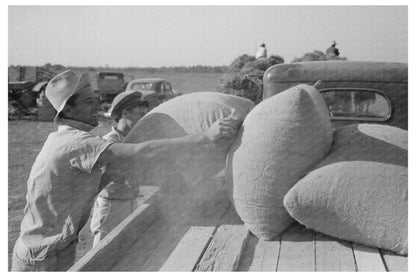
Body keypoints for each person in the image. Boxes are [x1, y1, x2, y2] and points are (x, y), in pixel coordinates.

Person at [11, 70, 241, 271]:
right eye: (89, 102)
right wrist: (205, 137)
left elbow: (114, 173)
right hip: (41, 255)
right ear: (68, 110)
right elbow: (141, 152)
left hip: (54, 247)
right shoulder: (75, 143)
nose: (97, 107)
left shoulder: (66, 140)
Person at [90, 90, 149, 247]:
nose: (143, 120)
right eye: (140, 115)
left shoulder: (135, 141)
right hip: (112, 206)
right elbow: (98, 178)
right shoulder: (109, 142)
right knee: (101, 256)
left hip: (131, 202)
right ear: (125, 112)